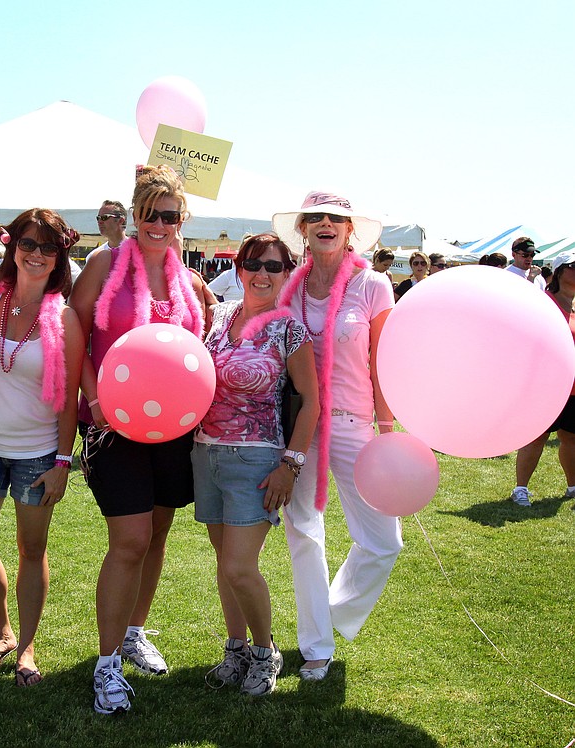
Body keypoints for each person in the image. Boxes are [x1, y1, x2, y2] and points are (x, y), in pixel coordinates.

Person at [70, 164, 205, 714]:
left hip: (173, 430)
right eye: (149, 213)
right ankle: (106, 666)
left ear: (181, 220)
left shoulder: (187, 278)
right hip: (113, 427)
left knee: (156, 535)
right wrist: (95, 399)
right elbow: (73, 332)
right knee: (129, 539)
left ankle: (133, 632)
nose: (159, 224)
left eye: (169, 215)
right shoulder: (105, 265)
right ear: (134, 214)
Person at [272, 191, 402, 682]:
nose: (325, 223)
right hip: (300, 426)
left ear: (349, 231)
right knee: (304, 534)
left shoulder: (373, 285)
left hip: (352, 424)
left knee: (384, 541)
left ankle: (330, 615)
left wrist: (386, 427)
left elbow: (383, 361)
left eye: (336, 218)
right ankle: (316, 645)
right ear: (303, 229)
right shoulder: (289, 287)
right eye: (316, 218)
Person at [0, 209, 83, 686]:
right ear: (12, 247)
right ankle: (2, 631)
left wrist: (62, 462)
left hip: (38, 454)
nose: (36, 254)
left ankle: (27, 647)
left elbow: (68, 399)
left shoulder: (65, 319)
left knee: (33, 548)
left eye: (47, 247)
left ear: (59, 257)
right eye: (28, 243)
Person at [194, 233, 319, 696]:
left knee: (239, 566)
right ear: (239, 269)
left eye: (273, 266)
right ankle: (236, 650)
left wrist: (291, 464)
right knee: (224, 564)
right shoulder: (220, 317)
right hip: (205, 454)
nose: (262, 274)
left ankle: (266, 654)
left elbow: (311, 403)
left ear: (287, 274)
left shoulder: (290, 330)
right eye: (253, 264)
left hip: (257, 460)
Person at [509, 251, 575, 508]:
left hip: (571, 388)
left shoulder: (573, 307)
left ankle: (572, 486)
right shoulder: (543, 303)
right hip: (544, 386)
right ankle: (520, 488)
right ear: (559, 272)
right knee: (537, 437)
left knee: (571, 437)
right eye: (573, 266)